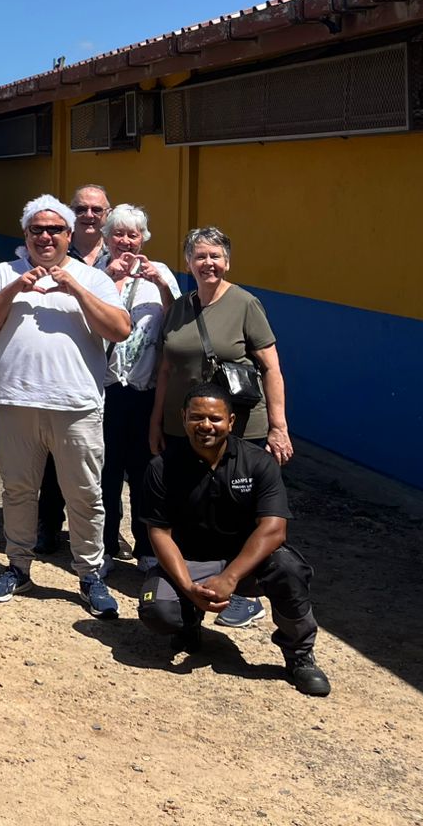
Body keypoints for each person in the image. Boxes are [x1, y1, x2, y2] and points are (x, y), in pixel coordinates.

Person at [0, 194, 130, 617]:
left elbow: (120, 330)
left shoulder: (91, 278)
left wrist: (74, 286)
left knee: (85, 494)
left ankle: (90, 575)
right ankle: (18, 566)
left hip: (75, 405)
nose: (45, 236)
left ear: (69, 234)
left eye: (55, 229)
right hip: (15, 401)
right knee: (19, 491)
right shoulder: (5, 272)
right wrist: (14, 290)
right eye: (37, 229)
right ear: (25, 234)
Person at [137, 382, 331, 697]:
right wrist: (188, 587)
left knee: (288, 568)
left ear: (231, 422)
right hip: (191, 563)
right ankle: (188, 623)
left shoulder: (257, 463)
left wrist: (230, 577)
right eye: (196, 417)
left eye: (215, 419)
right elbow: (159, 532)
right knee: (157, 611)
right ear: (183, 417)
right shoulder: (162, 467)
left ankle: (299, 656)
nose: (205, 426)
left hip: (245, 565)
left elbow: (274, 529)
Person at [150, 225, 292, 629]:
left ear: (227, 261)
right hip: (186, 426)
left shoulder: (246, 304)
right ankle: (191, 581)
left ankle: (244, 591)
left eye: (215, 256)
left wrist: (279, 427)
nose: (207, 263)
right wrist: (156, 420)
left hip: (239, 427)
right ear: (188, 263)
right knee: (189, 504)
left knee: (241, 510)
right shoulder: (179, 307)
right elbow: (165, 368)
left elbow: (272, 368)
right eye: (199, 256)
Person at [95, 205, 178, 563]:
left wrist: (160, 284)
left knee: (145, 472)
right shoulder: (93, 273)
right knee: (105, 471)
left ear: (144, 238)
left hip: (145, 390)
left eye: (133, 234)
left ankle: (146, 546)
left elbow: (177, 320)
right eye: (118, 233)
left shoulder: (160, 273)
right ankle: (107, 545)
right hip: (105, 388)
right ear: (106, 238)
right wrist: (111, 280)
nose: (126, 241)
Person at [34, 183, 113, 554]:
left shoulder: (124, 250)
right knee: (53, 458)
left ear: (107, 214)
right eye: (81, 209)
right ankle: (47, 525)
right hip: (71, 375)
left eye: (97, 210)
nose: (89, 216)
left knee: (101, 459)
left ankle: (106, 536)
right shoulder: (53, 251)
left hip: (119, 374)